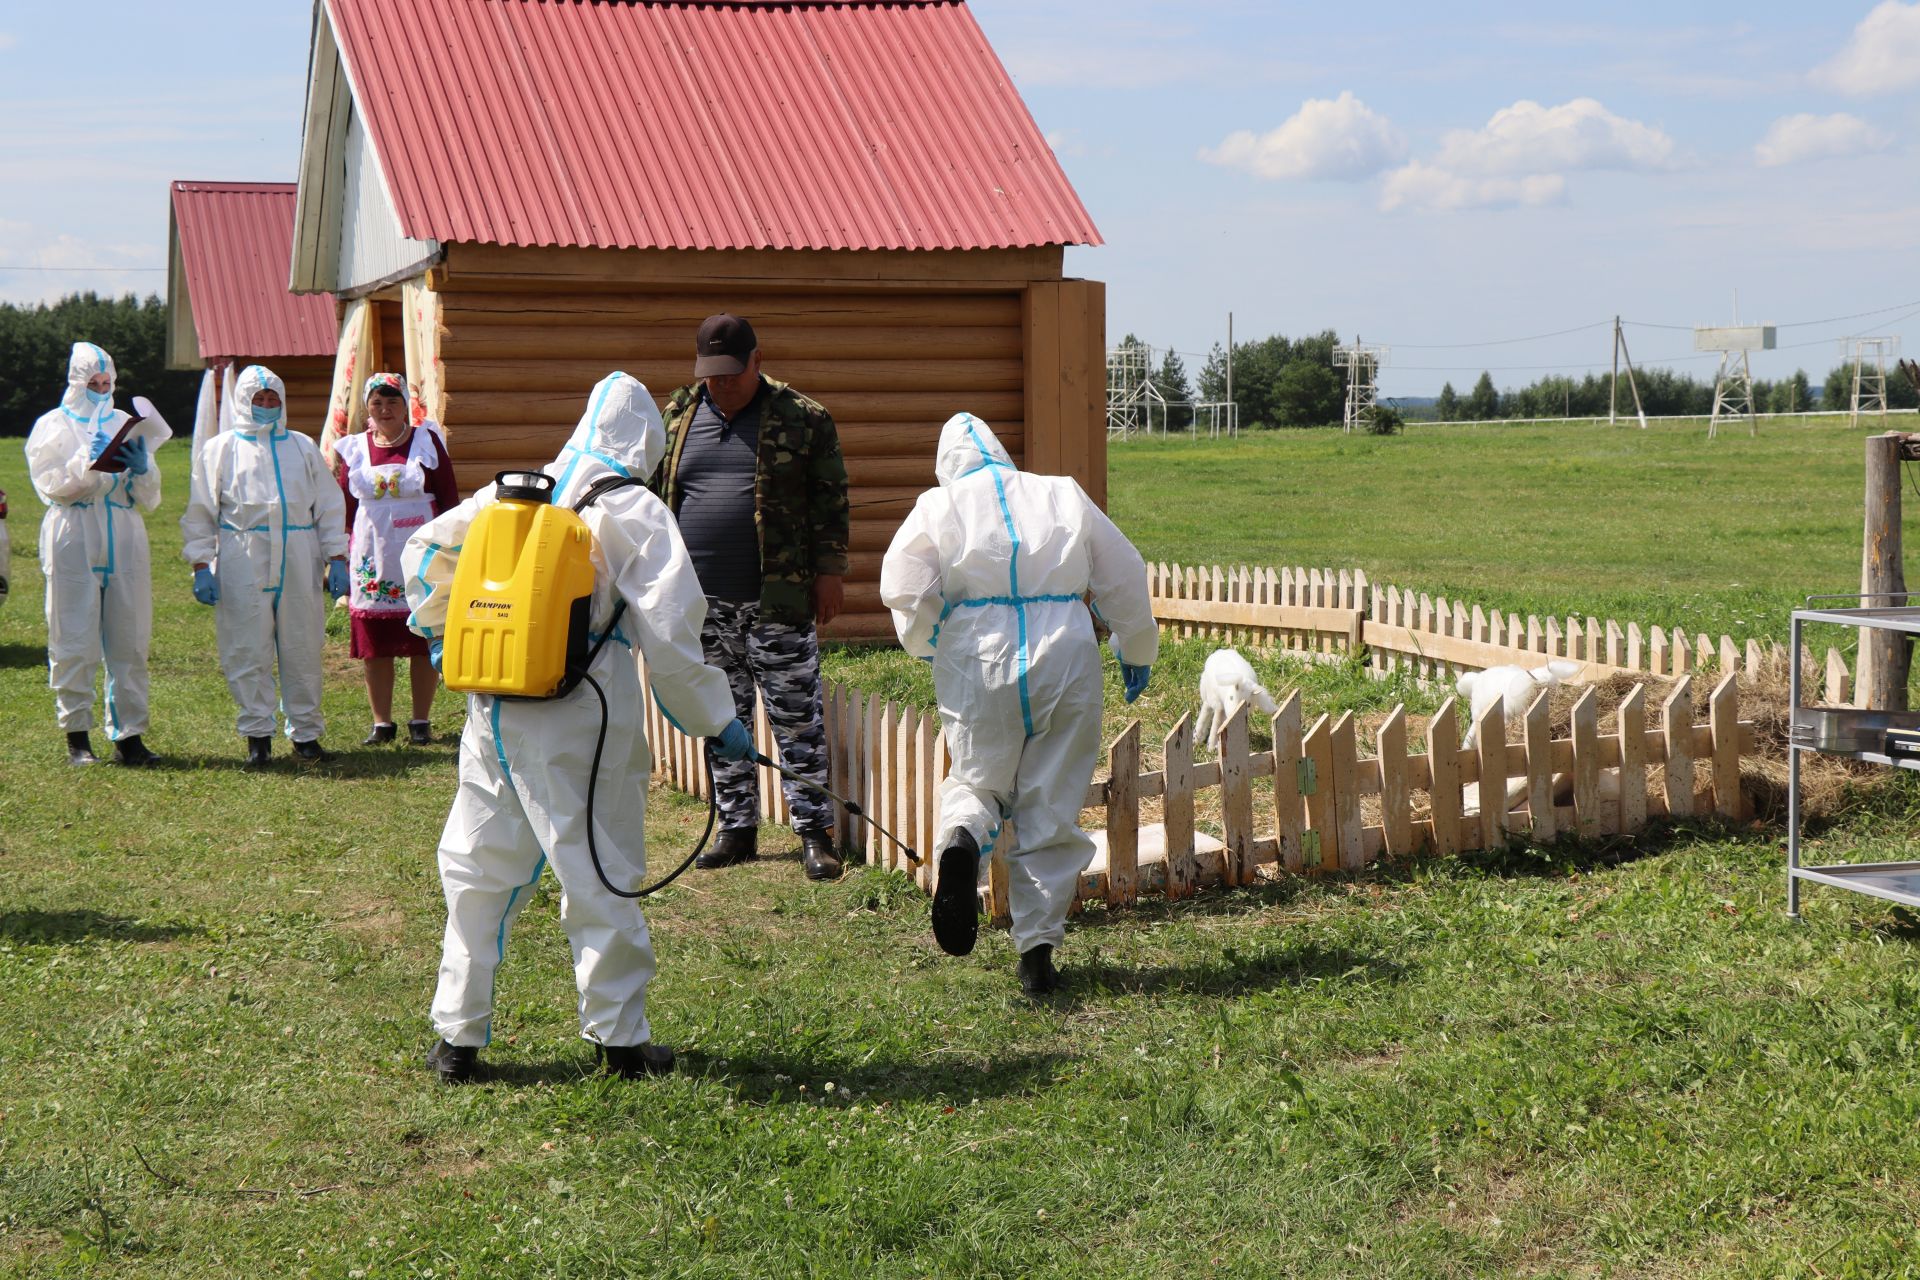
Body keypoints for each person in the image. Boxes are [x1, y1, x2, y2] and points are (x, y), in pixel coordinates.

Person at [403, 372, 746, 1084]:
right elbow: (676, 639)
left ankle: (456, 1040)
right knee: (598, 870)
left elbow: (423, 554)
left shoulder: (516, 493)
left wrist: (440, 638)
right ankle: (621, 1042)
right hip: (581, 712)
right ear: (645, 443)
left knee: (476, 866)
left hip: (493, 708)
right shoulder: (632, 508)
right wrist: (717, 721)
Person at [879, 412, 1158, 996]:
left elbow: (901, 584)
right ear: (1003, 455)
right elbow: (1124, 572)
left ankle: (961, 843)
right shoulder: (1060, 493)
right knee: (1050, 802)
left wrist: (932, 637)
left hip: (978, 654)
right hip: (1066, 649)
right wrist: (1136, 646)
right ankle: (1036, 952)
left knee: (979, 782)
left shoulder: (940, 505)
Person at [652, 313, 849, 881]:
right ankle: (736, 828)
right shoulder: (679, 415)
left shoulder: (803, 418)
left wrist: (830, 573)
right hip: (701, 604)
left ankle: (815, 832)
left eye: (731, 373)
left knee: (796, 720)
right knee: (723, 717)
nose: (721, 383)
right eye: (711, 374)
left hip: (777, 599)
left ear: (757, 362)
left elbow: (831, 502)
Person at [181, 364, 349, 766]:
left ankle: (306, 734)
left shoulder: (302, 446)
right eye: (259, 400)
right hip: (243, 551)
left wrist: (336, 556)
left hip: (297, 550)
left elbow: (327, 504)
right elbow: (201, 509)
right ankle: (258, 735)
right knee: (246, 646)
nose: (267, 405)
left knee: (302, 645)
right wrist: (201, 563)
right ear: (243, 402)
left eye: (273, 399)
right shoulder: (220, 449)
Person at [24, 343, 170, 766]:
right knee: (72, 635)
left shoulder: (126, 422)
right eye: (93, 384)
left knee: (130, 636)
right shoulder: (52, 425)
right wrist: (86, 462)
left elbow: (151, 498)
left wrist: (144, 469)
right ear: (76, 382)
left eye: (108, 383)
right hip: (74, 532)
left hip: (123, 531)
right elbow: (51, 486)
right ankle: (77, 737)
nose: (102, 390)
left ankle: (129, 737)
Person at [331, 373, 458, 745]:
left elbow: (448, 498)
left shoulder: (426, 442)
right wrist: (337, 554)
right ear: (367, 409)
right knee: (376, 641)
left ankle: (421, 720)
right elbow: (346, 507)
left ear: (406, 405)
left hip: (421, 552)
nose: (385, 410)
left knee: (423, 633)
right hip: (372, 554)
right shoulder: (353, 449)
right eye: (377, 404)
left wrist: (452, 548)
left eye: (393, 402)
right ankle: (381, 722)